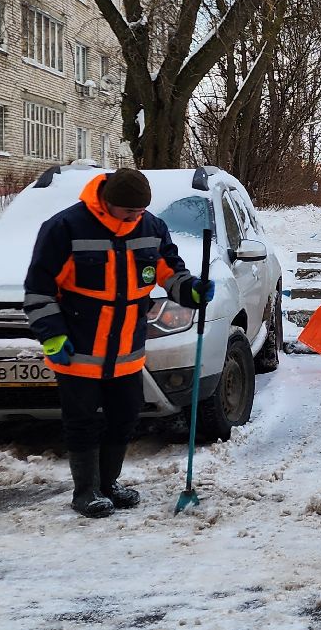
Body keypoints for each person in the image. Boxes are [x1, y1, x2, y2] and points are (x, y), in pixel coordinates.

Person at [25, 168, 213, 518]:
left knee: (125, 416)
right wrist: (51, 335)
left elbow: (169, 271)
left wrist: (190, 290)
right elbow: (39, 289)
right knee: (81, 421)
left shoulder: (151, 227)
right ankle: (85, 491)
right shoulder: (65, 227)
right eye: (129, 211)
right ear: (107, 202)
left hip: (127, 349)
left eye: (140, 211)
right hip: (79, 347)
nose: (135, 217)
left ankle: (109, 483)